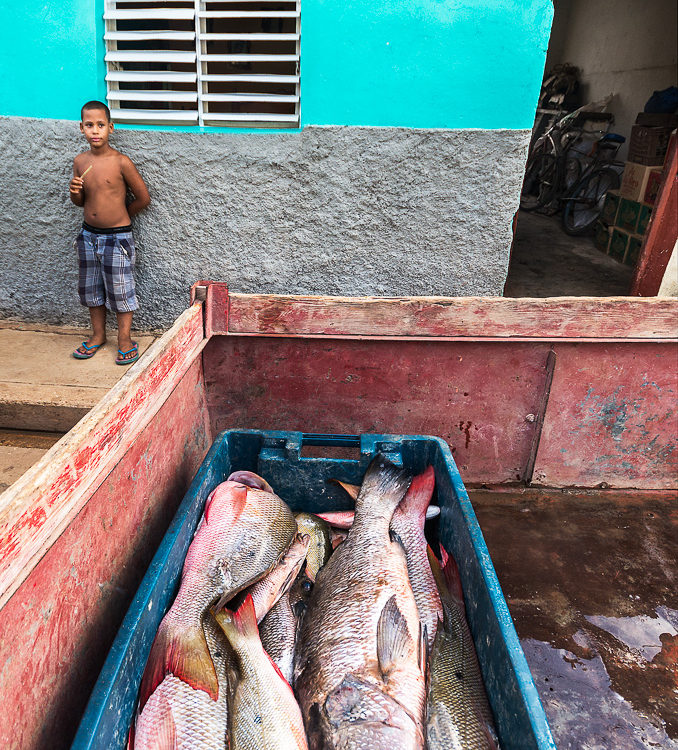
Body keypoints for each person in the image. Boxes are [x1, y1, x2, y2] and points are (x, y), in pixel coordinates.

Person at [69, 101, 151, 364]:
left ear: (111, 128)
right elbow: (81, 203)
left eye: (101, 125)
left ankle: (125, 339)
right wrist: (75, 192)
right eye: (89, 125)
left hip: (117, 238)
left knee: (120, 290)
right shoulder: (80, 162)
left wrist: (122, 214)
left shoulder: (120, 162)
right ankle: (98, 335)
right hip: (88, 236)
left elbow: (143, 198)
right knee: (92, 289)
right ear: (81, 128)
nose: (95, 130)